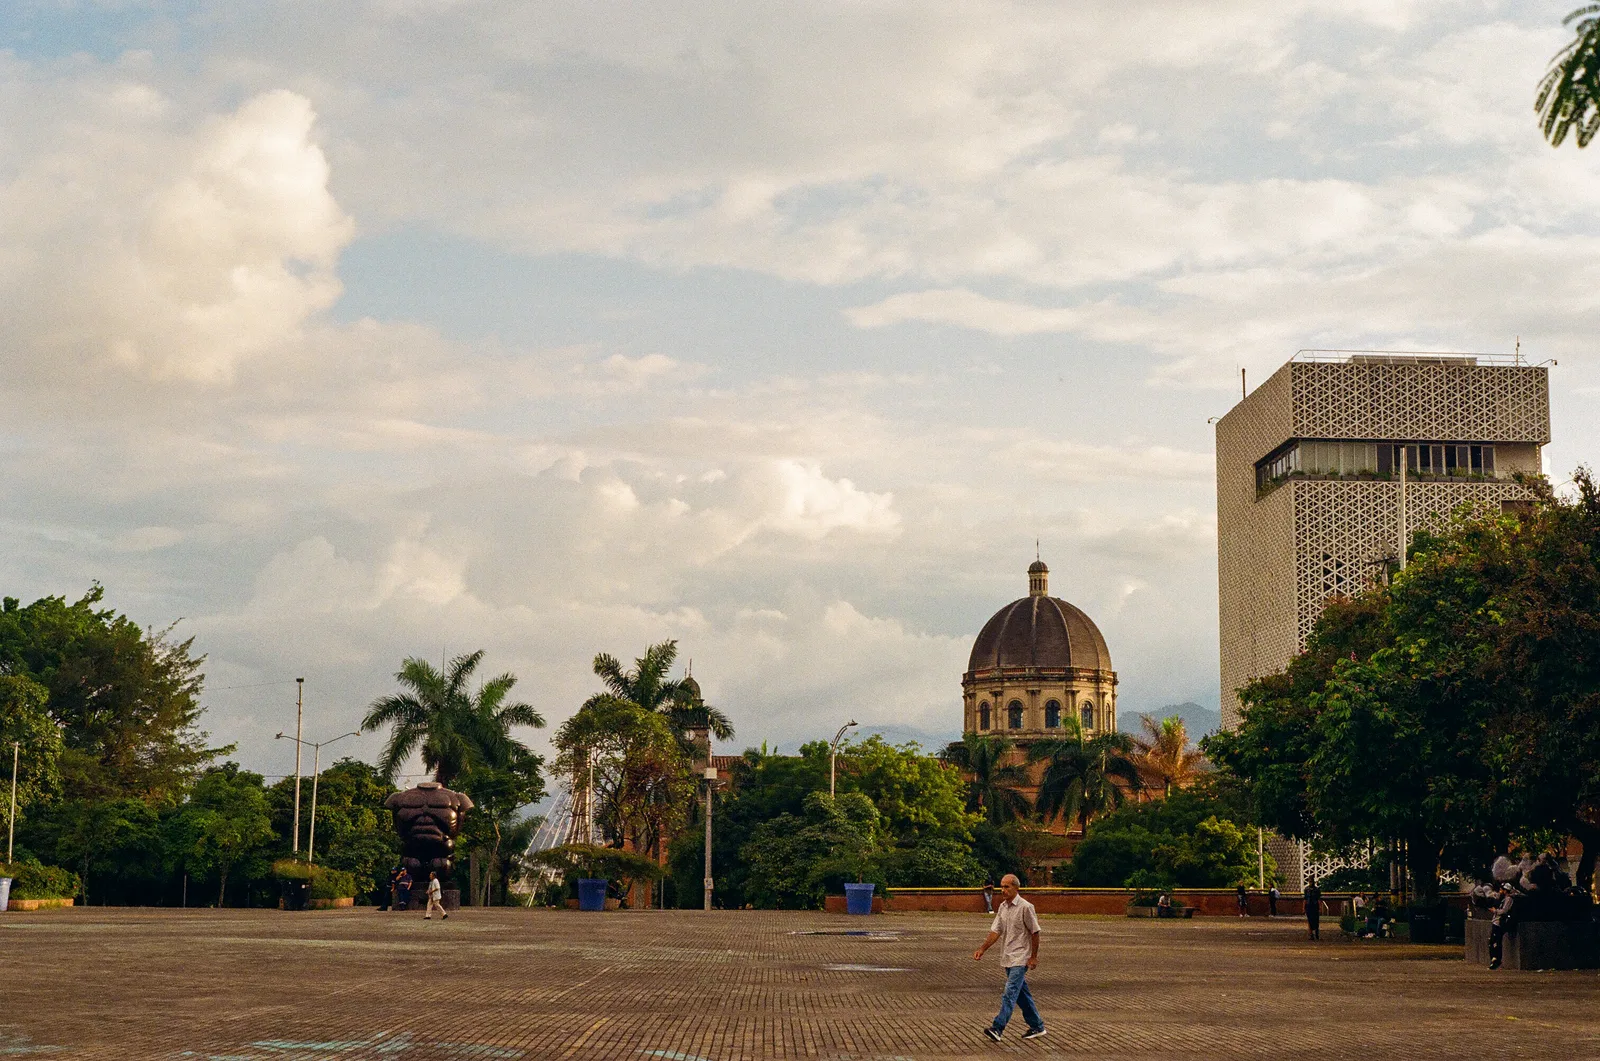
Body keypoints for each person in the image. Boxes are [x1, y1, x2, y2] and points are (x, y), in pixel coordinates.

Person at [973, 874, 1046, 1043]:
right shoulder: (1003, 908)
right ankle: (1037, 1026)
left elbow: (1035, 932)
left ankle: (998, 1028)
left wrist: (1033, 957)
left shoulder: (1026, 907)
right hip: (1007, 957)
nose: (1003, 890)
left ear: (1016, 888)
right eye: (1002, 887)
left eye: (1007, 887)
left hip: (1021, 958)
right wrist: (982, 949)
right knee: (1021, 994)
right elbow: (995, 931)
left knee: (1010, 993)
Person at [1488, 883, 1516, 970]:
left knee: (1496, 941)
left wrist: (1495, 911)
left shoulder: (1508, 899)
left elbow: (1504, 911)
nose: (1500, 892)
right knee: (1492, 941)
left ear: (1505, 891)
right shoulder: (1502, 899)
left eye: (1501, 890)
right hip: (1496, 921)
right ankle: (1494, 959)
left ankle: (1496, 960)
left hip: (1500, 922)